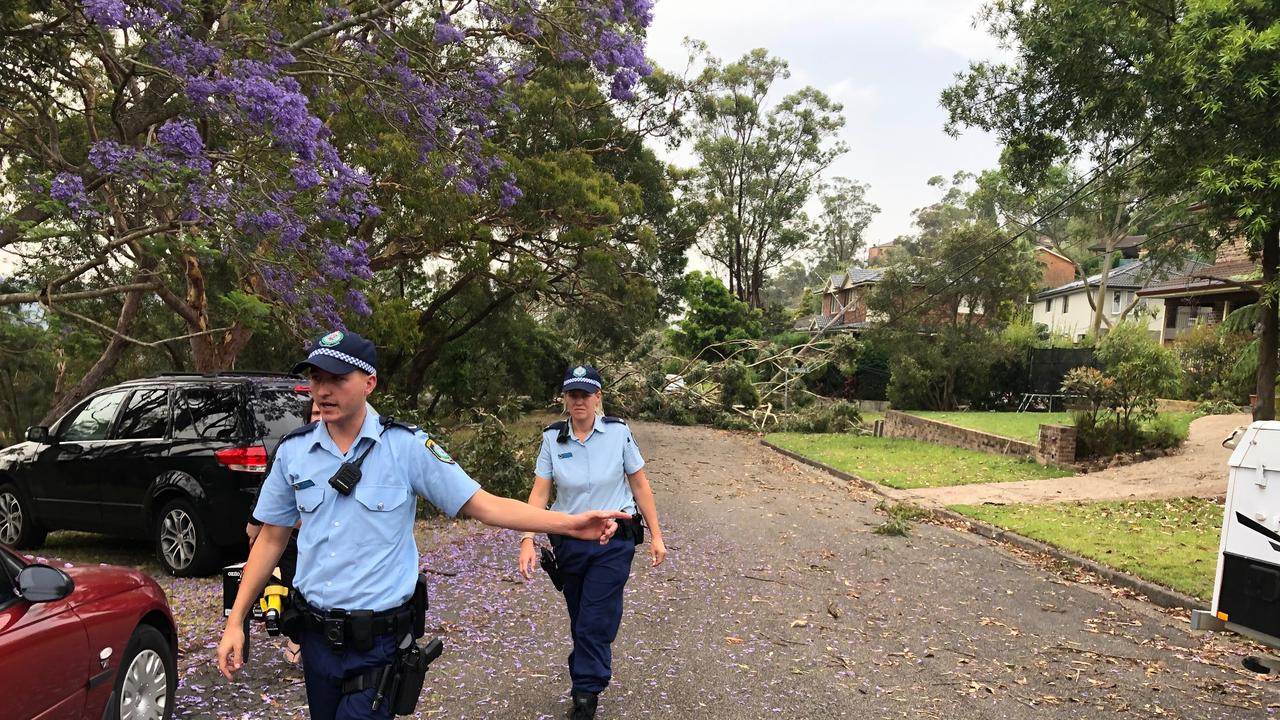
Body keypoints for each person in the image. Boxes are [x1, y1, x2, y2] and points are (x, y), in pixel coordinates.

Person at [217, 330, 629, 720]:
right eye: (315, 377)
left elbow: (483, 504)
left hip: (377, 644)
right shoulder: (294, 453)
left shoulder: (407, 447)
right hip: (315, 640)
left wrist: (572, 524)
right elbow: (271, 537)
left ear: (369, 383)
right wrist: (236, 621)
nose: (322, 390)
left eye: (337, 378)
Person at [517, 365, 666, 720]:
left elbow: (640, 484)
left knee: (593, 620)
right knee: (581, 617)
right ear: (565, 398)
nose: (579, 400)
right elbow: (540, 491)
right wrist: (527, 538)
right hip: (569, 541)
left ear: (598, 397)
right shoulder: (553, 439)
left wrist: (658, 536)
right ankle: (589, 671)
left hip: (612, 541)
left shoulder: (618, 433)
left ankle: (585, 695)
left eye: (586, 394)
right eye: (573, 394)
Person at [244, 397, 321, 664]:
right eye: (315, 413)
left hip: (323, 539)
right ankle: (296, 636)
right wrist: (255, 522)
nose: (320, 417)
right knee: (288, 583)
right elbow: (270, 487)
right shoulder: (293, 448)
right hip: (288, 533)